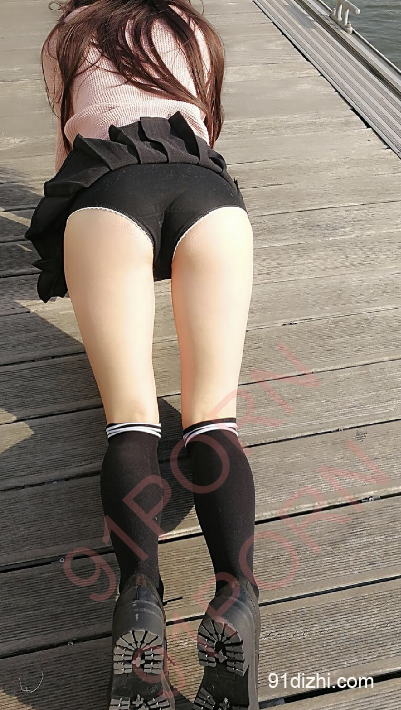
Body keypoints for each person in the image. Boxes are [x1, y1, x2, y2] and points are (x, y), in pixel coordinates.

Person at [24, 1, 261, 709]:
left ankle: (138, 596)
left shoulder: (69, 35)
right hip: (209, 197)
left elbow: (68, 155)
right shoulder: (193, 28)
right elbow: (204, 128)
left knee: (131, 420)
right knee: (212, 417)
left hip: (109, 196)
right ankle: (237, 593)